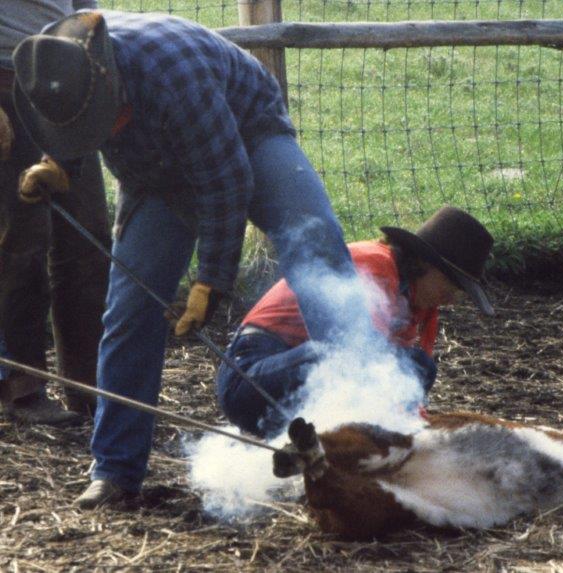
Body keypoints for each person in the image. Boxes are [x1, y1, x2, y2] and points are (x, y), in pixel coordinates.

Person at [12, 10, 381, 508]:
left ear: (112, 83)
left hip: (246, 133)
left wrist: (211, 281)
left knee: (317, 251)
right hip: (154, 171)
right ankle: (115, 471)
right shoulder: (53, 61)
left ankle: (371, 430)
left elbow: (226, 182)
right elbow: (68, 120)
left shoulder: (174, 75)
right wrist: (59, 164)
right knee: (129, 311)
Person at [216, 206, 495, 438]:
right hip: (248, 380)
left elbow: (404, 384)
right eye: (452, 285)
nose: (452, 299)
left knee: (418, 365)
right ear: (426, 264)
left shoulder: (418, 301)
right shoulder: (373, 267)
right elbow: (361, 360)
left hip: (296, 389)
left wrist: (414, 429)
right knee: (345, 357)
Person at [0, 1, 110, 425]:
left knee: (89, 238)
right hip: (6, 81)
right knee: (22, 242)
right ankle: (22, 388)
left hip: (65, 82)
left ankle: (88, 386)